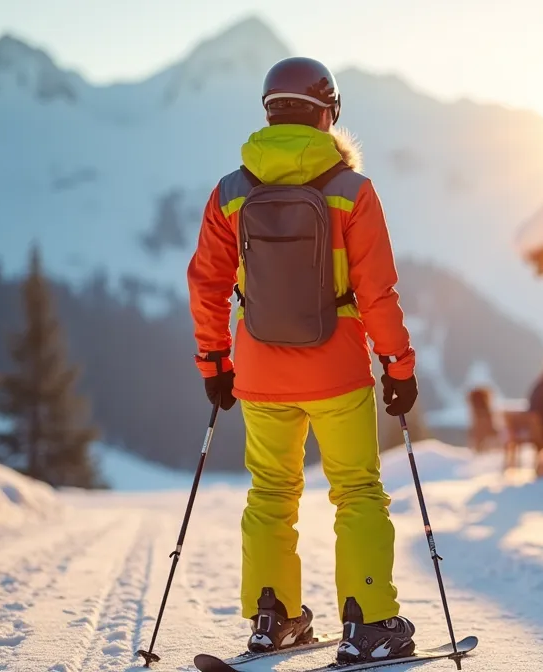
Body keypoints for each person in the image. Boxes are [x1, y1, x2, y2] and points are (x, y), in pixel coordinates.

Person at [187, 57, 418, 663]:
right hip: (337, 369)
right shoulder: (352, 191)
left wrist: (214, 361)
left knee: (270, 492)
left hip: (261, 370)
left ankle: (274, 617)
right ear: (329, 112)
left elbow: (207, 284)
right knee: (359, 493)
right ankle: (369, 625)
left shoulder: (231, 192)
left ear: (270, 110)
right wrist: (398, 365)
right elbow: (377, 293)